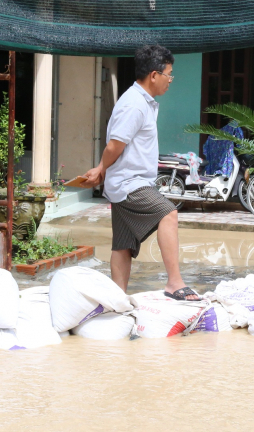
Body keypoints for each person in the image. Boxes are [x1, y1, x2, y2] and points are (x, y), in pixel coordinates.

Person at [83, 45, 200, 301]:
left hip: (126, 181)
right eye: (169, 74)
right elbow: (115, 144)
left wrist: (104, 170)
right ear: (154, 75)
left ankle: (117, 299)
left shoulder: (142, 102)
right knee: (168, 213)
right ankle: (174, 283)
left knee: (123, 245)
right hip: (129, 183)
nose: (170, 80)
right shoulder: (135, 105)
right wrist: (102, 168)